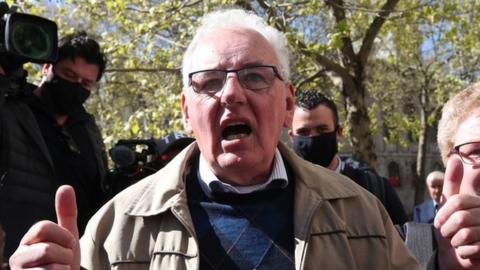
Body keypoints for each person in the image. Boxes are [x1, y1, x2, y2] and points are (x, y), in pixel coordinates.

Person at [9, 9, 420, 269]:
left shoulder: (362, 216)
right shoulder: (117, 227)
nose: (231, 94)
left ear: (288, 104)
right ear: (187, 111)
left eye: (255, 76)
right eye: (209, 82)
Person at [0, 31, 108, 260]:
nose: (76, 86)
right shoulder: (10, 110)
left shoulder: (88, 129)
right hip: (21, 254)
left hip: (79, 257)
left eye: (86, 82)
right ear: (47, 67)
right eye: (69, 74)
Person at [288, 89, 408, 224]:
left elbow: (401, 241)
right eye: (303, 132)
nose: (313, 138)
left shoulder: (374, 189)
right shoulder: (282, 193)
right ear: (292, 137)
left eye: (322, 129)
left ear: (339, 132)